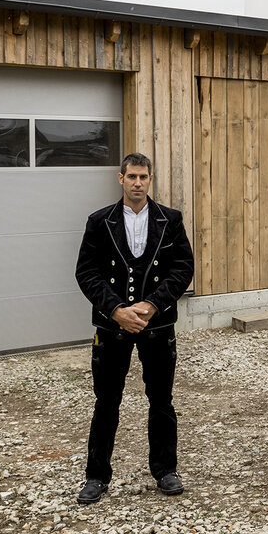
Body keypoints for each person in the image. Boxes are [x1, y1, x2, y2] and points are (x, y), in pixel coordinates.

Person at [74, 152, 195, 504]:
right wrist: (116, 309)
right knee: (106, 401)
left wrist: (150, 305)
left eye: (143, 177)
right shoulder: (100, 221)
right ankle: (96, 476)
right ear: (120, 178)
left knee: (161, 400)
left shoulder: (170, 220)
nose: (138, 183)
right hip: (112, 327)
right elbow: (86, 272)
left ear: (150, 179)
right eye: (132, 177)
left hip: (157, 325)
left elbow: (182, 268)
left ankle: (165, 470)